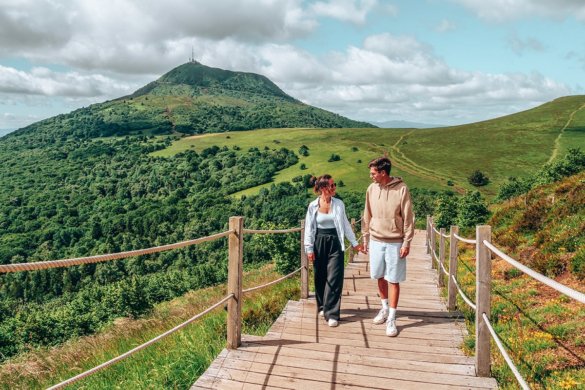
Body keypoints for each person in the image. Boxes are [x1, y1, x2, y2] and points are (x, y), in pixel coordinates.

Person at [362, 157, 414, 337]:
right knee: (379, 276)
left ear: (383, 173)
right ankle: (384, 308)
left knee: (393, 279)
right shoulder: (371, 189)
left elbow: (408, 218)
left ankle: (392, 317)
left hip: (395, 241)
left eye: (373, 173)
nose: (371, 176)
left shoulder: (402, 189)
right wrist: (366, 238)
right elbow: (366, 215)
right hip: (376, 240)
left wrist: (407, 242)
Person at [304, 174, 363, 327]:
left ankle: (332, 314)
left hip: (336, 242)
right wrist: (309, 248)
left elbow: (345, 224)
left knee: (335, 277)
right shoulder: (313, 205)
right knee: (320, 276)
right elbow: (309, 229)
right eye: (332, 185)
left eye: (334, 184)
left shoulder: (339, 204)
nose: (334, 187)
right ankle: (323, 306)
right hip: (319, 241)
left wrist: (355, 243)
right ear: (323, 188)